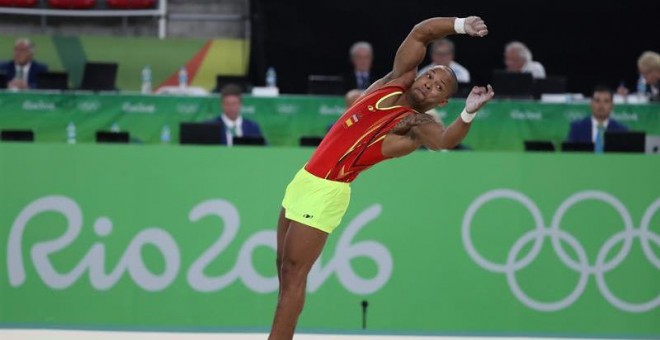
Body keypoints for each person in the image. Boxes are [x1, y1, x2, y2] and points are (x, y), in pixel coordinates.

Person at [269, 16, 493, 339]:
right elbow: (421, 33)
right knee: (283, 271)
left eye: (438, 88)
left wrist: (468, 112)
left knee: (293, 275)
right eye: (430, 76)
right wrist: (458, 24)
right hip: (305, 178)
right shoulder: (396, 80)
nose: (429, 83)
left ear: (440, 102)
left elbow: (444, 141)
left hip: (327, 190)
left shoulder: (414, 123)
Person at [567, 85, 628, 152]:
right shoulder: (577, 128)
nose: (601, 105)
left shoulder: (621, 131)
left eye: (606, 101)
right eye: (597, 101)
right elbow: (569, 154)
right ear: (591, 104)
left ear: (612, 105)